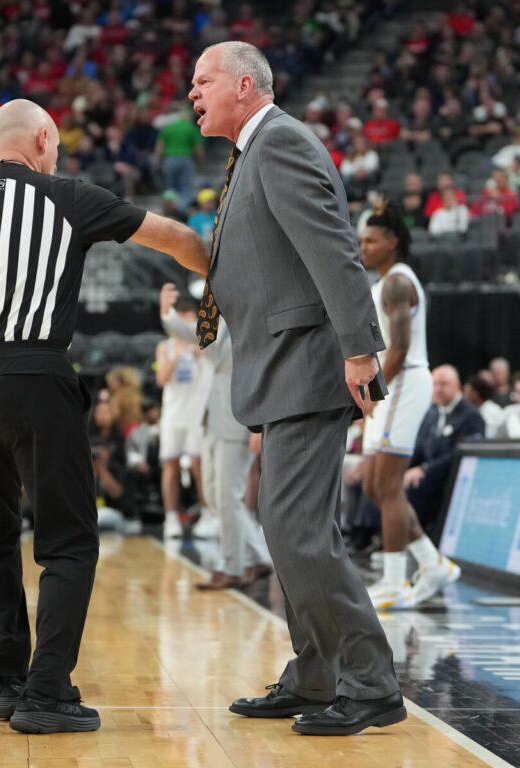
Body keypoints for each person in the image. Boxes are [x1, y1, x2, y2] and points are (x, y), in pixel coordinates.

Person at [0, 99, 208, 734]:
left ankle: (11, 681)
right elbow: (177, 240)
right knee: (68, 539)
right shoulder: (67, 195)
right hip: (35, 372)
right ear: (43, 139)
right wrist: (223, 285)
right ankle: (47, 690)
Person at [188, 41, 405, 737]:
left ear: (244, 85)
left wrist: (360, 349)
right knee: (288, 531)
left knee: (299, 531)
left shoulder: (279, 143)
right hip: (281, 367)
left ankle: (370, 684)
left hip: (311, 364)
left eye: (203, 81)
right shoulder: (253, 155)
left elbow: (334, 249)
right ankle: (316, 675)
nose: (191, 93)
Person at [357, 201, 459, 611]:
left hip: (403, 378)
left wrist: (371, 392)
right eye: (361, 240)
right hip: (388, 379)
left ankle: (395, 582)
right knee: (371, 485)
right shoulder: (382, 282)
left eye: (371, 241)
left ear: (392, 242)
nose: (362, 247)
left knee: (387, 485)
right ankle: (432, 565)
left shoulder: (398, 283)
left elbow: (398, 348)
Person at [159, 283, 272, 589]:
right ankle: (259, 559)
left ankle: (232, 567)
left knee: (226, 496)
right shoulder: (218, 321)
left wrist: (257, 426)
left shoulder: (248, 322)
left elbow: (258, 377)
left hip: (237, 420)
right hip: (210, 419)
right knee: (216, 496)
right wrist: (166, 314)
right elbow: (193, 336)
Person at [405, 365, 485, 539]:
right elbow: (419, 448)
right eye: (435, 384)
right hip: (428, 472)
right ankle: (374, 538)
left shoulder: (471, 415)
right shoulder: (432, 413)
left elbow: (460, 455)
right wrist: (401, 469)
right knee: (388, 482)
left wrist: (424, 469)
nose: (438, 389)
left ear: (457, 386)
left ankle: (412, 543)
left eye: (443, 384)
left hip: (449, 477)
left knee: (415, 486)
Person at [154, 297, 206, 539]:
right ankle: (171, 517)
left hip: (198, 414)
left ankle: (208, 513)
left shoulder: (205, 343)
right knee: (170, 464)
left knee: (199, 464)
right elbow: (161, 379)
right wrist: (177, 354)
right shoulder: (165, 346)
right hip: (173, 414)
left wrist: (199, 355)